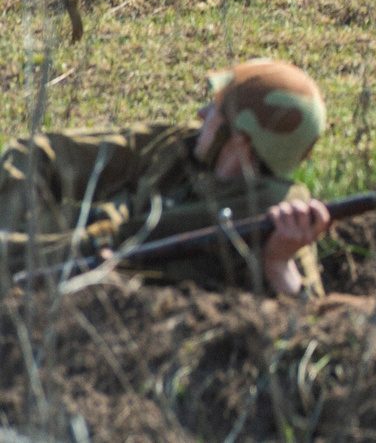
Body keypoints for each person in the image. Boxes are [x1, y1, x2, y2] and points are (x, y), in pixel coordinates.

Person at [0, 59, 330, 292]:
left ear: (240, 142)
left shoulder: (278, 214)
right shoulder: (181, 144)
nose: (201, 114)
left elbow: (312, 315)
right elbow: (39, 153)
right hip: (65, 239)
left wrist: (278, 265)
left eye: (216, 110)